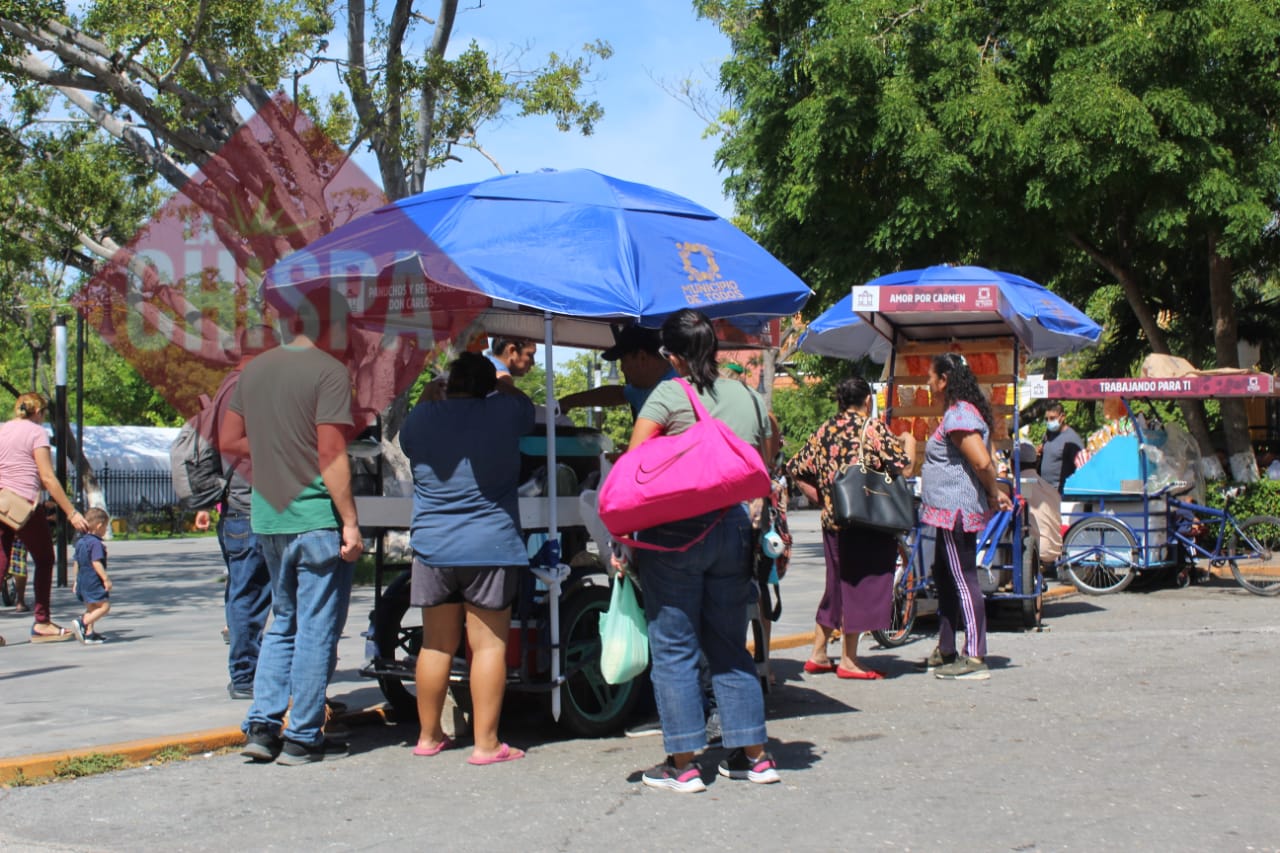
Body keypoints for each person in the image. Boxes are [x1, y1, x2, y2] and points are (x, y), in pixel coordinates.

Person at [618, 308, 779, 793]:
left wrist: (624, 540)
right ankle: (754, 756)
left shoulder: (670, 394)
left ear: (672, 355)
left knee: (674, 648)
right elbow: (764, 459)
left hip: (675, 534)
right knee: (729, 645)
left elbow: (635, 466)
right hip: (733, 527)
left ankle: (683, 763)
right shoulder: (749, 396)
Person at [221, 300, 362, 766]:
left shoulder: (255, 371)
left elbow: (229, 440)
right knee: (317, 628)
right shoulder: (329, 372)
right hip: (316, 516)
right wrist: (350, 521)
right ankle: (302, 734)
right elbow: (331, 452)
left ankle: (263, 727)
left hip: (269, 516)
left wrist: (276, 447)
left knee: (283, 621)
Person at [400, 352, 535, 765]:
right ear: (487, 387)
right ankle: (486, 744)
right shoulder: (504, 414)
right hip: (490, 544)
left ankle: (428, 736)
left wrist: (428, 394)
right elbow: (527, 409)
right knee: (488, 646)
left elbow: (407, 442)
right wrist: (504, 385)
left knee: (436, 644)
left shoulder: (421, 419)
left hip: (433, 546)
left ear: (451, 382)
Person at [786, 377, 914, 679]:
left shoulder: (825, 429)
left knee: (836, 586)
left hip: (834, 521)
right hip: (865, 521)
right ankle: (849, 660)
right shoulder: (871, 428)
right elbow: (904, 467)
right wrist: (909, 440)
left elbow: (795, 468)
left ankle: (818, 654)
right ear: (867, 401)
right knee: (860, 586)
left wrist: (822, 498)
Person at [194, 324, 279, 700]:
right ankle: (245, 675)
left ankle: (247, 670)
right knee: (251, 593)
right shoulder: (250, 388)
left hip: (237, 505)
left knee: (243, 591)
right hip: (251, 503)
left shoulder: (227, 386)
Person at [918, 354, 1013, 681]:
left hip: (955, 511)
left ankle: (974, 656)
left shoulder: (959, 415)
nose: (928, 383)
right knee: (945, 577)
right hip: (947, 513)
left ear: (944, 379)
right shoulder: (959, 413)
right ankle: (946, 648)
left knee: (963, 579)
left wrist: (993, 492)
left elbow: (982, 462)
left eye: (931, 377)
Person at [0, 392, 90, 643]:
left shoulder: (3, 429)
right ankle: (42, 622)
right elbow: (48, 477)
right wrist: (71, 512)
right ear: (39, 412)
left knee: (1, 559)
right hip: (23, 505)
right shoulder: (36, 432)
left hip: (1, 500)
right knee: (44, 558)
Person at [557, 325, 674, 418]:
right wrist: (567, 402)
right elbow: (616, 395)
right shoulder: (645, 388)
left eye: (624, 361)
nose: (622, 368)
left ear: (642, 358)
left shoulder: (674, 391)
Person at [70, 507, 112, 644]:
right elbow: (96, 562)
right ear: (99, 526)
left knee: (92, 607)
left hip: (82, 580)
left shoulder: (80, 542)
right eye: (105, 526)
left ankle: (89, 633)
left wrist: (76, 580)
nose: (106, 529)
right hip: (93, 580)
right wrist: (105, 579)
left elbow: (76, 562)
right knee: (104, 606)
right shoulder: (96, 543)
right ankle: (82, 622)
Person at [1039, 402, 1083, 495]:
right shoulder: (1048, 434)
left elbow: (1081, 467)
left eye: (1052, 418)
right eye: (1046, 419)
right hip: (1045, 489)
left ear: (1062, 417)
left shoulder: (1072, 439)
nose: (1049, 422)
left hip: (1060, 492)